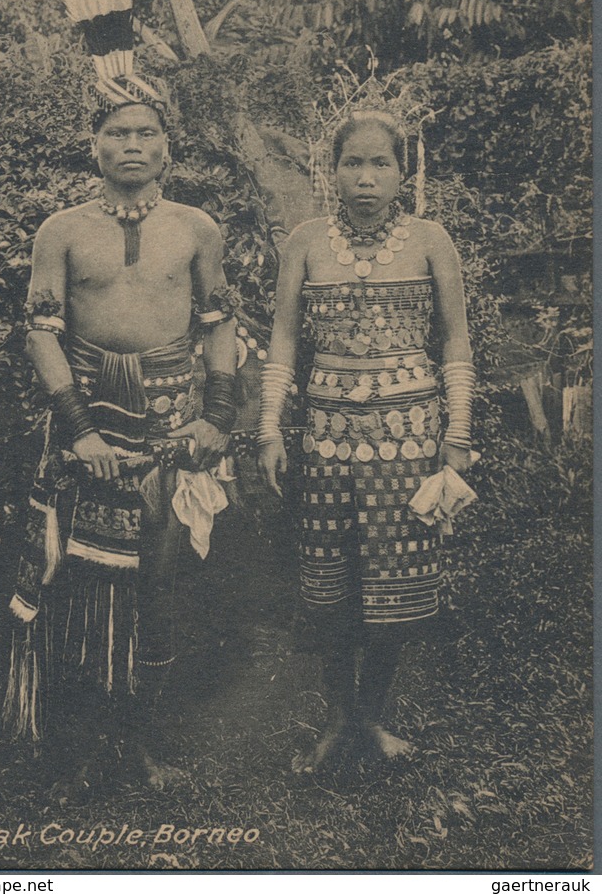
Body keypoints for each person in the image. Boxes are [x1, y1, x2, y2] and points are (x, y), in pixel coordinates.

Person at [3, 0, 237, 797]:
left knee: (159, 588)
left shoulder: (197, 229)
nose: (132, 145)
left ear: (167, 149)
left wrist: (217, 417)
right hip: (90, 418)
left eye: (146, 133)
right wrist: (80, 431)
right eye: (117, 133)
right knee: (77, 585)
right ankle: (76, 750)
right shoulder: (61, 231)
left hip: (173, 424)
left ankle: (139, 744)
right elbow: (41, 332)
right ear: (94, 146)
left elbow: (219, 324)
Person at [258, 105, 474, 774]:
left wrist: (457, 437)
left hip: (410, 443)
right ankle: (337, 721)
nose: (367, 178)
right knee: (332, 588)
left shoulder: (432, 240)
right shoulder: (305, 241)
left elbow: (456, 339)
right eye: (354, 162)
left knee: (394, 586)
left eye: (382, 163)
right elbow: (286, 340)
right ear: (331, 170)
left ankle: (374, 718)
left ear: (404, 172)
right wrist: (270, 425)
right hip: (325, 441)